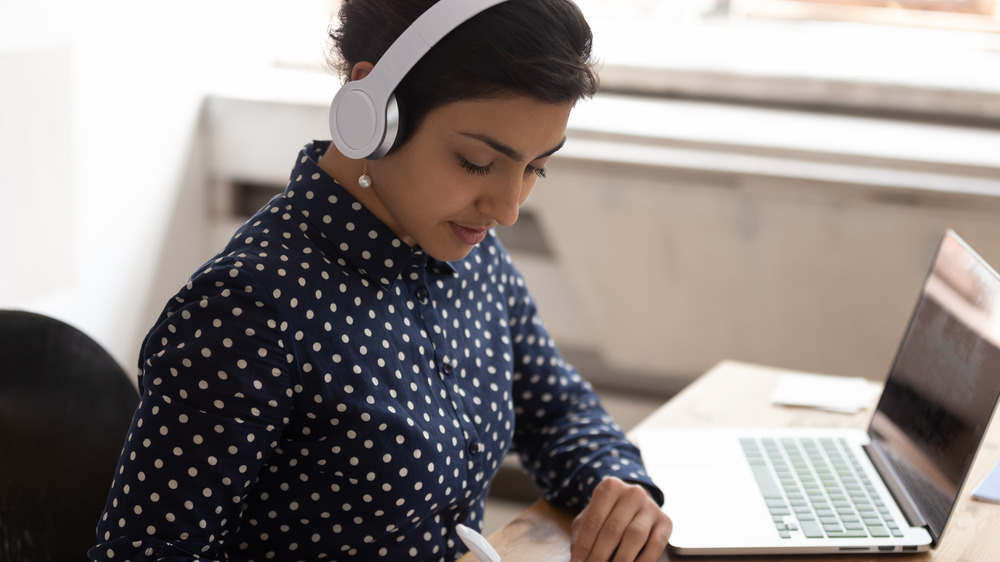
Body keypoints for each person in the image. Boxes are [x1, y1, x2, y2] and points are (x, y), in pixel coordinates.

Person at [89, 0, 672, 560]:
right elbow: (149, 552)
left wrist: (616, 484)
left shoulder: (474, 256)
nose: (508, 207)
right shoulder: (245, 310)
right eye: (476, 162)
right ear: (374, 108)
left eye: (536, 167)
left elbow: (556, 409)